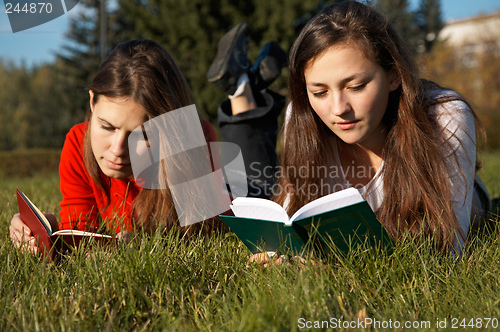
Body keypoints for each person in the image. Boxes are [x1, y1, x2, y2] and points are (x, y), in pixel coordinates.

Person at [210, 1, 491, 256]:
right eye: (319, 92)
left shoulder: (443, 115)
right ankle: (245, 90)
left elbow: (449, 247)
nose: (338, 109)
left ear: (393, 75)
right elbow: (288, 221)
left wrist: (331, 261)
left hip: (462, 197)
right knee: (254, 187)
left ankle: (247, 88)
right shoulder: (303, 112)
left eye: (355, 87)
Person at [10, 39, 224, 254]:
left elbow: (211, 232)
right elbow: (81, 233)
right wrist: (48, 232)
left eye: (142, 136)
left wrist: (142, 246)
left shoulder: (196, 140)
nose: (118, 149)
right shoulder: (77, 141)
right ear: (93, 101)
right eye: (107, 127)